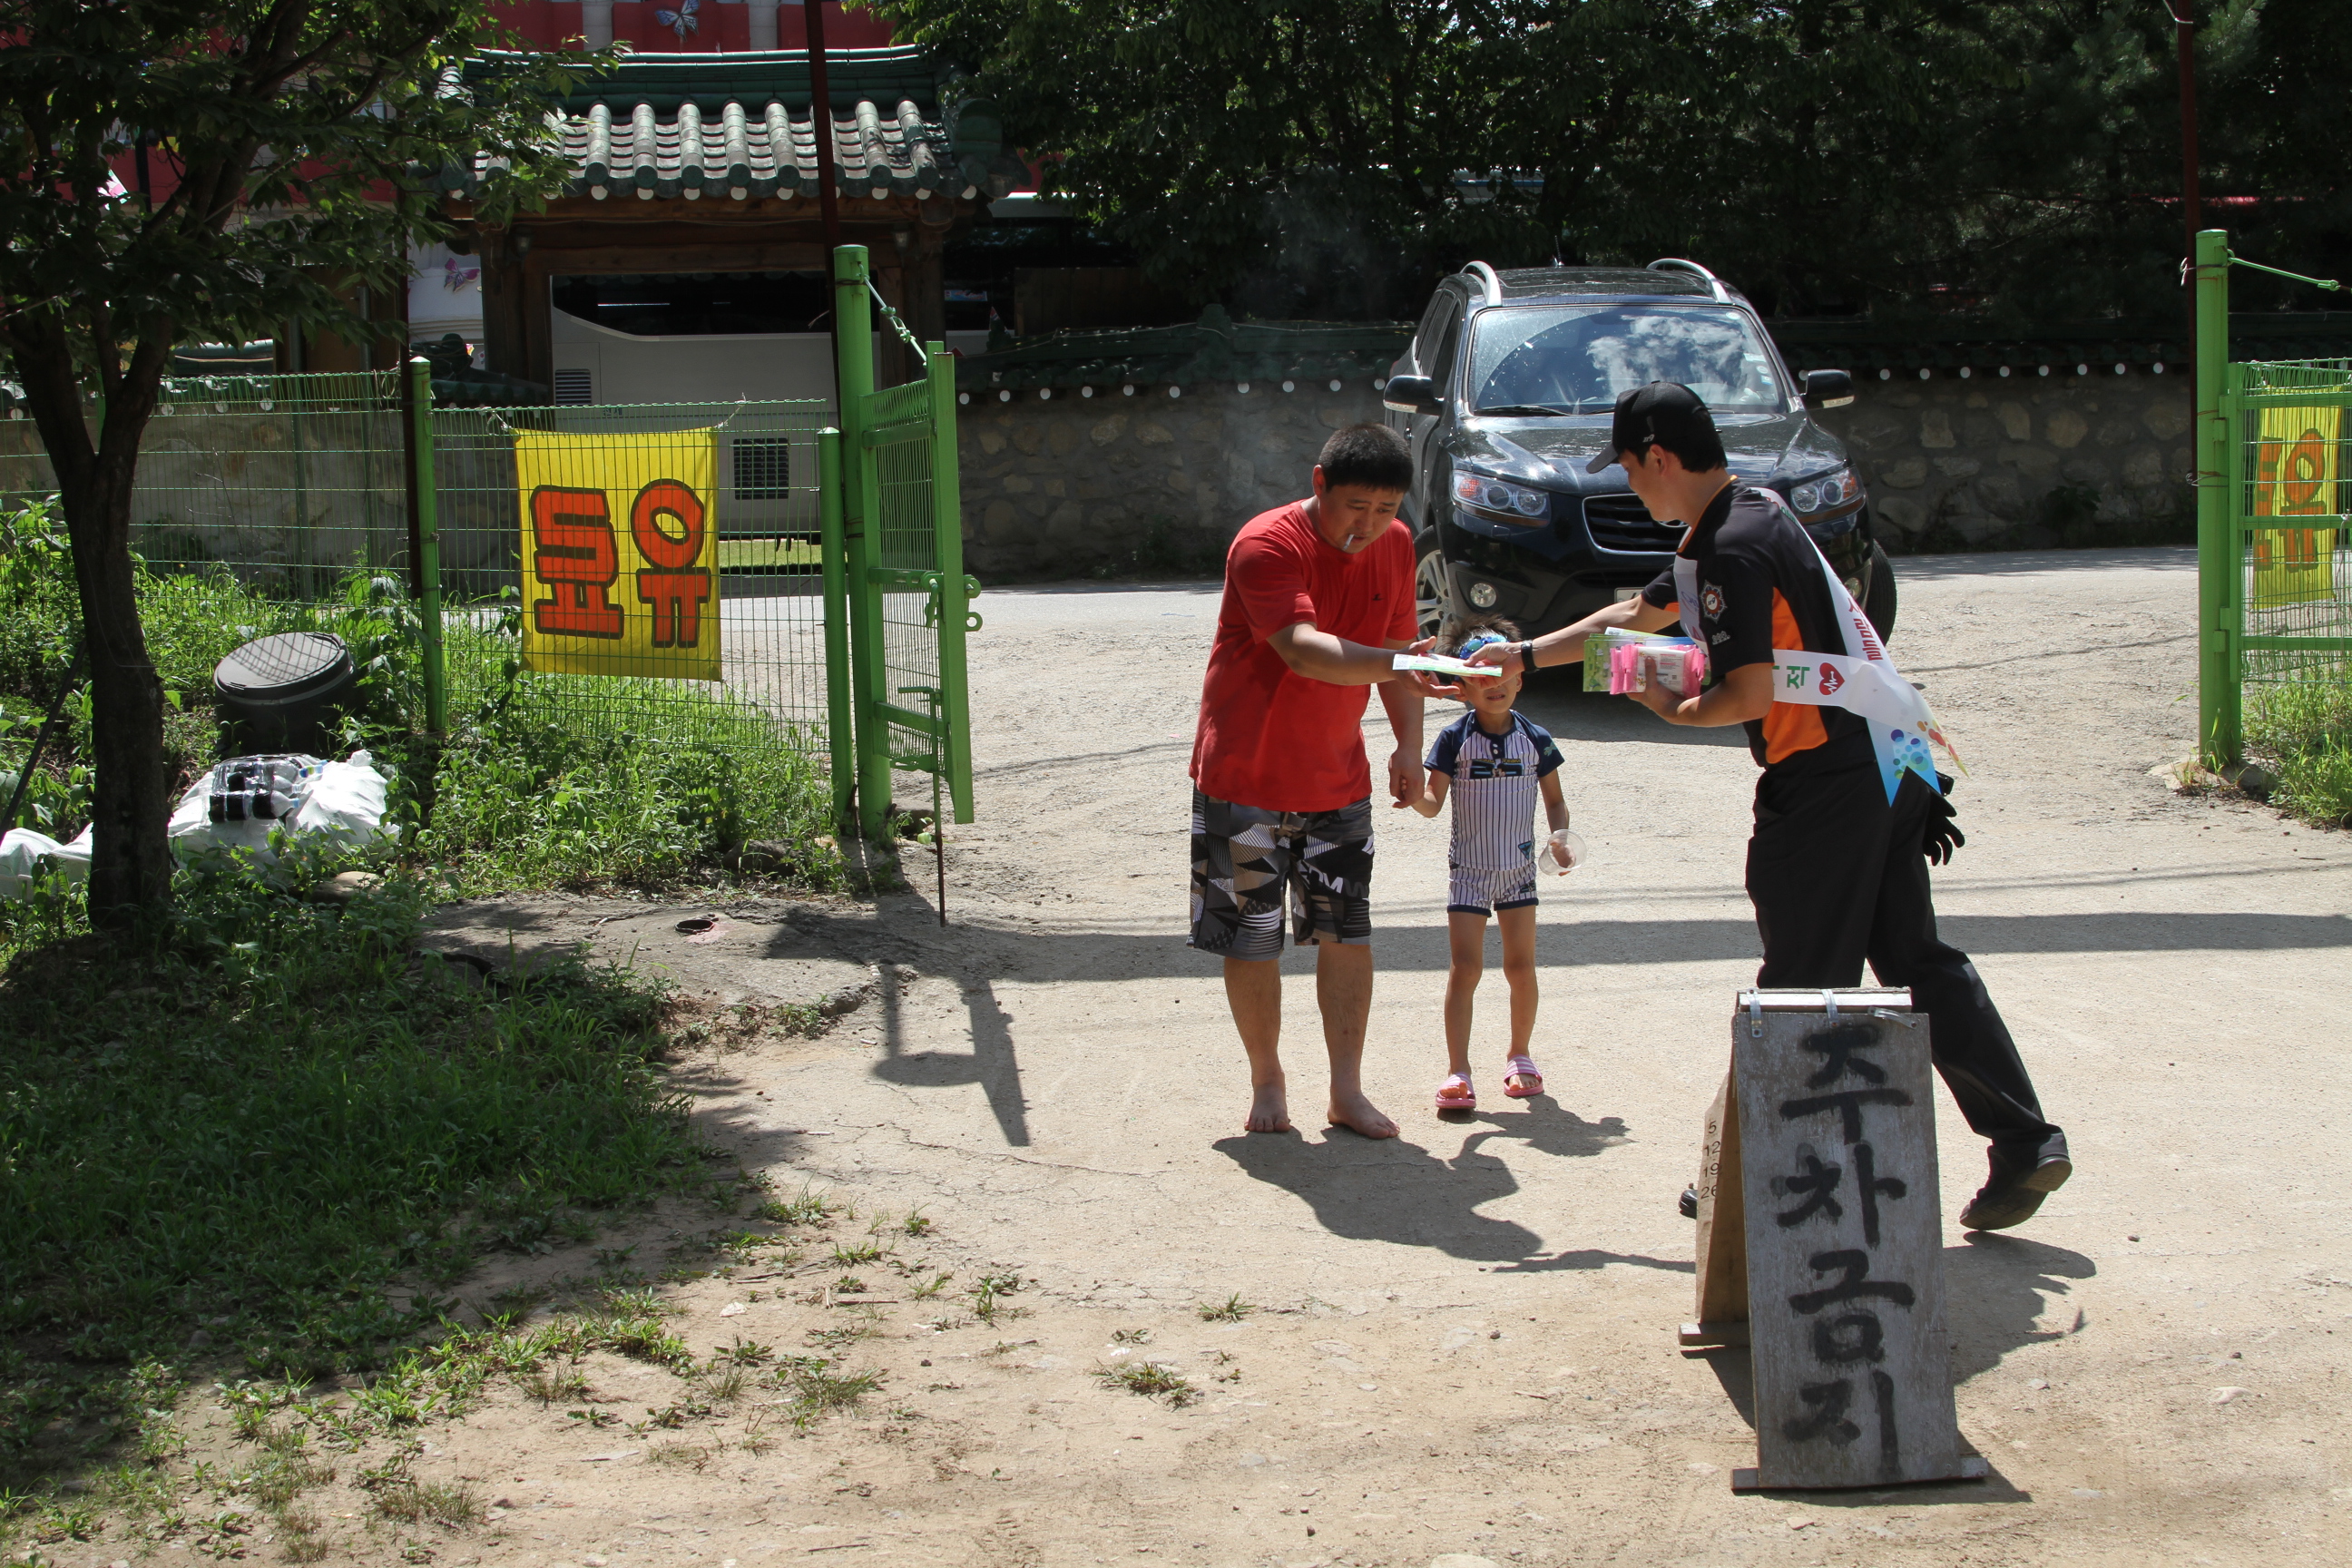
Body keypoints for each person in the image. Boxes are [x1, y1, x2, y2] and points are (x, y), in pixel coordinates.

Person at [1472, 382, 2072, 1230]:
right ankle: (2026, 1141)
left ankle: (1747, 1173)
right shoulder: (1747, 517)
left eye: (1629, 467)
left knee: (1796, 985)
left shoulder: (1730, 548)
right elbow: (1635, 615)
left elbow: (1747, 693)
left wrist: (1674, 708)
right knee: (1916, 960)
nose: (1628, 484)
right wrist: (1524, 655)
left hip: (1825, 785)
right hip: (1889, 760)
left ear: (1659, 458)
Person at [1190, 422, 1455, 1140]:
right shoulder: (1266, 545)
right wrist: (1405, 665)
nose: (1367, 526)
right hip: (1244, 777)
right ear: (1318, 484)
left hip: (1338, 780)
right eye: (1354, 506)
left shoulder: (1395, 546)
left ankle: (1346, 1090)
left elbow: (1397, 651)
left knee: (1346, 935)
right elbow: (1304, 651)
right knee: (1250, 939)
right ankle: (1267, 1078)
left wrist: (1408, 745)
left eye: (1385, 509)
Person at [1409, 616, 1578, 1112]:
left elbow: (1555, 802)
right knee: (1465, 969)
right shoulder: (1453, 740)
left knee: (1520, 968)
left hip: (1519, 874)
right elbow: (1432, 805)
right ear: (1461, 687)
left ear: (1520, 677)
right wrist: (1412, 794)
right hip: (1469, 873)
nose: (1496, 685)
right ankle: (1457, 1071)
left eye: (1504, 674)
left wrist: (1560, 838)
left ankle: (1520, 1056)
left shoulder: (1537, 739)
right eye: (1481, 677)